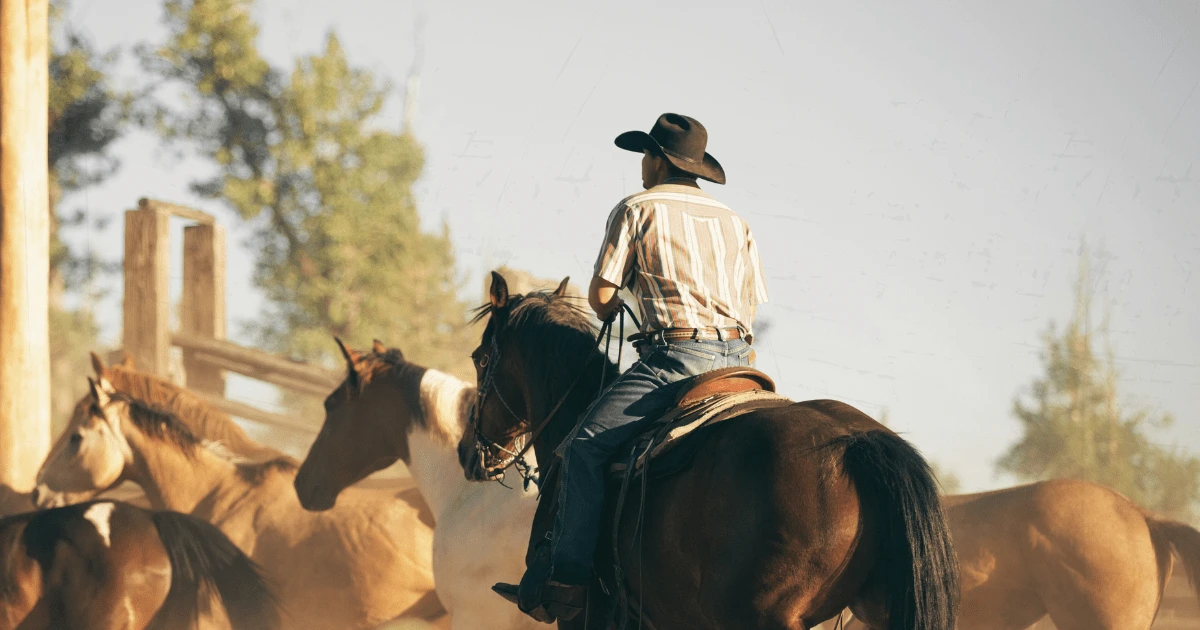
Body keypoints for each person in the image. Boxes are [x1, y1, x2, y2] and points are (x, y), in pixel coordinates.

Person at [501, 113, 770, 622]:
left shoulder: (636, 207)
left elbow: (601, 300)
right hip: (740, 361)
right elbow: (750, 306)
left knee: (581, 448)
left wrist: (632, 297)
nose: (640, 167)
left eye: (644, 156)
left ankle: (568, 582)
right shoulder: (737, 222)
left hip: (676, 359)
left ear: (657, 160)